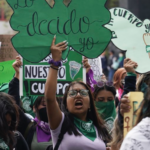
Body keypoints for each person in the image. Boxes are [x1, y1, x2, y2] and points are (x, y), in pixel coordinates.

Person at [45, 36, 111, 150]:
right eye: (73, 93)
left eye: (84, 93)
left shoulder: (100, 129)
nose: (78, 95)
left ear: (90, 102)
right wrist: (55, 62)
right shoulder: (60, 124)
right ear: (65, 102)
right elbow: (50, 98)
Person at [8, 56, 52, 150]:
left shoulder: (67, 126)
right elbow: (13, 106)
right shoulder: (29, 127)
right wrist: (18, 74)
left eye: (52, 105)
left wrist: (85, 73)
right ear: (34, 108)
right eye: (44, 104)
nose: (48, 109)